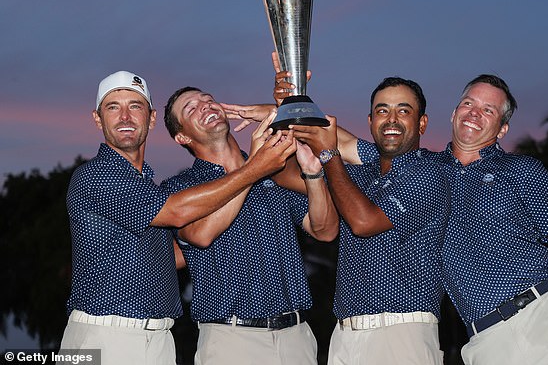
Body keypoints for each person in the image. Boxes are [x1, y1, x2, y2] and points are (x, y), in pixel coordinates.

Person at [348, 74, 548, 364]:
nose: (474, 113)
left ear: (502, 129)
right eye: (468, 103)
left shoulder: (521, 170)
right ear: (455, 113)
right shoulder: (423, 172)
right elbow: (345, 143)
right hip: (486, 340)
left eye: (488, 110)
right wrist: (297, 99)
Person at [61, 71, 296, 365]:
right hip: (103, 336)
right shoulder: (96, 175)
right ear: (98, 119)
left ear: (151, 118)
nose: (125, 117)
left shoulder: (146, 186)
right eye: (113, 107)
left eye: (135, 106)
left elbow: (180, 250)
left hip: (159, 339)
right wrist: (254, 169)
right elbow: (176, 211)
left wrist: (288, 112)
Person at [274, 77, 451, 365]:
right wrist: (288, 109)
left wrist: (329, 155)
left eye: (403, 111)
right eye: (382, 111)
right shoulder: (360, 176)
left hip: (401, 332)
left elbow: (363, 223)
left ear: (422, 123)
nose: (391, 119)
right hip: (345, 336)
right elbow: (285, 173)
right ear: (370, 121)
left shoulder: (428, 175)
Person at [160, 86, 339, 365]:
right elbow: (200, 234)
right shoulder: (181, 187)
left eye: (209, 99)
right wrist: (254, 167)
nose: (205, 106)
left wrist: (313, 175)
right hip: (232, 339)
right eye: (191, 108)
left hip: (296, 337)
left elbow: (325, 230)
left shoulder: (274, 169)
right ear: (182, 136)